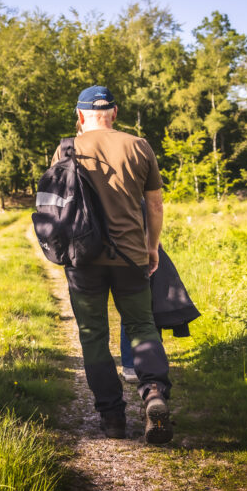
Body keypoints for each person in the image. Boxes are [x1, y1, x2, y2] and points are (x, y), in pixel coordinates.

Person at [56, 85, 173, 444]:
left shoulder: (67, 148)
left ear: (80, 115)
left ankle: (112, 420)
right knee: (141, 325)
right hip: (132, 257)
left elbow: (57, 206)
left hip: (83, 259)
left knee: (93, 336)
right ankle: (154, 393)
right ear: (115, 113)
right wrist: (151, 248)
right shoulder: (139, 145)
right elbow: (154, 206)